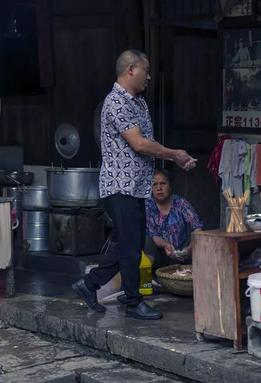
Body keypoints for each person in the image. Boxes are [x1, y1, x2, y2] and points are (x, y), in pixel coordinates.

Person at [72, 49, 197, 321]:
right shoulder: (116, 102)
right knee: (130, 246)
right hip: (120, 186)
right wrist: (174, 154)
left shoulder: (137, 102)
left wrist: (172, 155)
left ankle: (89, 284)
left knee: (128, 243)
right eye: (146, 70)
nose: (149, 77)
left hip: (136, 186)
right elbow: (139, 143)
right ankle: (133, 302)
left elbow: (146, 144)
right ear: (131, 69)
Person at [145, 169, 203, 270]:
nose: (159, 188)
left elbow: (197, 227)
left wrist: (189, 248)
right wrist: (165, 245)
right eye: (155, 184)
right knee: (146, 240)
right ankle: (148, 278)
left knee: (199, 239)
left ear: (170, 186)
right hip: (159, 254)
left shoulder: (180, 203)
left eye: (163, 183)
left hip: (181, 253)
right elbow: (154, 235)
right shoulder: (148, 206)